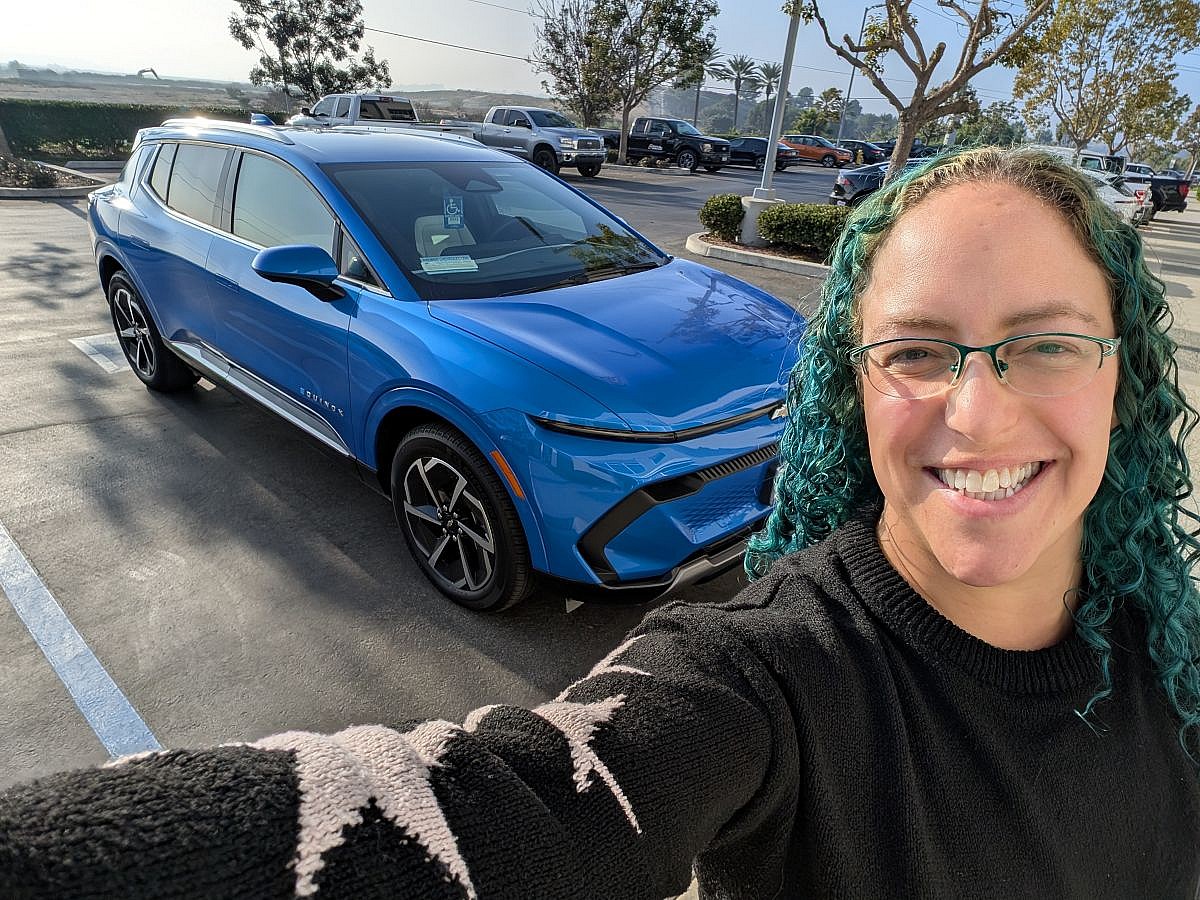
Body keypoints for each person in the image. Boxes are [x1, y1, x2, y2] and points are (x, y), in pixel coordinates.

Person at [2, 146, 1198, 898]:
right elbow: (500, 802)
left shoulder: (1168, 643)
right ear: (861, 387)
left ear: (1120, 373)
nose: (976, 413)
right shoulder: (772, 680)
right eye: (918, 353)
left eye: (1045, 342)